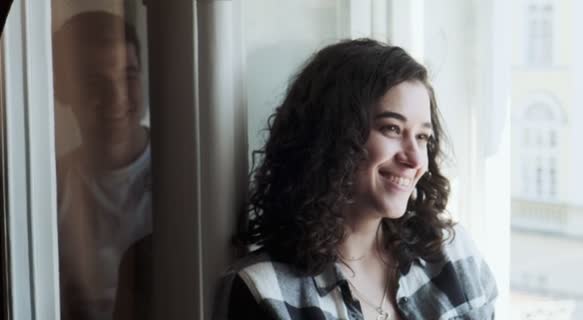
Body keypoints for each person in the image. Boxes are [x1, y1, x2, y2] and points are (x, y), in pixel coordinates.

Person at [215, 39, 497, 320]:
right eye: (392, 129)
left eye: (422, 137)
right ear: (332, 136)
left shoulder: (454, 254)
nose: (414, 159)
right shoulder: (265, 291)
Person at [52, 11, 152, 320]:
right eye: (95, 82)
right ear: (63, 91)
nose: (116, 97)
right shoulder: (49, 188)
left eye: (128, 76)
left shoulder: (182, 174)